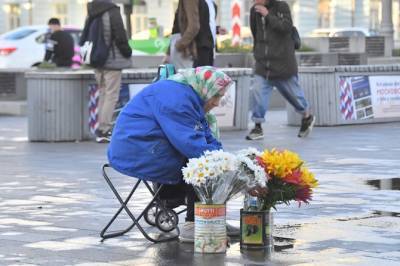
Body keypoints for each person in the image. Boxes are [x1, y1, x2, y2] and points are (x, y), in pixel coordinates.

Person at [108, 67, 233, 242]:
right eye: (217, 95)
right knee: (201, 164)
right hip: (137, 151)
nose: (217, 103)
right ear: (206, 88)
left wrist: (226, 160)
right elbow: (190, 144)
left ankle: (211, 216)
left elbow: (204, 135)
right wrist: (222, 161)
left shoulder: (190, 95)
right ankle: (194, 223)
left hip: (149, 145)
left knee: (210, 161)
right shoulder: (177, 98)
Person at [246, 0, 315, 140]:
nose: (253, 1)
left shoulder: (281, 6)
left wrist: (268, 15)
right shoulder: (254, 11)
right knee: (258, 93)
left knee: (295, 96)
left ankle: (306, 116)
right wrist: (257, 52)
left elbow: (286, 27)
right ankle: (257, 126)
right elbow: (256, 33)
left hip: (283, 63)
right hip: (263, 64)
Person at [80, 0, 132, 143]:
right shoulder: (112, 10)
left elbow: (84, 35)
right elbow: (120, 35)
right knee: (111, 95)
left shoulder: (91, 10)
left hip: (97, 59)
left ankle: (101, 129)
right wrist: (127, 52)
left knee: (103, 92)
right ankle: (104, 129)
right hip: (112, 60)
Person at [164, 0, 226, 68]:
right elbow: (186, 26)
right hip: (197, 47)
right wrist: (172, 49)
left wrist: (178, 45)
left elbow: (198, 25)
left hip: (202, 48)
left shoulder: (209, 3)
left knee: (195, 76)